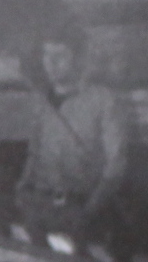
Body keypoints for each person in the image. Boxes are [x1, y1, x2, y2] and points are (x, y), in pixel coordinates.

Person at [15, 26, 128, 242]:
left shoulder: (103, 100)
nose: (51, 62)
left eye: (61, 56)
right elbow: (34, 153)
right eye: (47, 54)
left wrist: (89, 209)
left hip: (77, 211)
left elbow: (116, 164)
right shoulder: (42, 102)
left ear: (78, 59)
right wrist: (22, 191)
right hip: (38, 209)